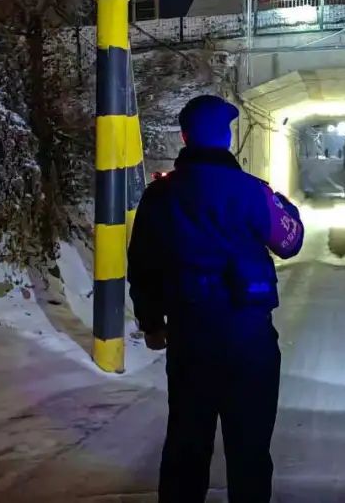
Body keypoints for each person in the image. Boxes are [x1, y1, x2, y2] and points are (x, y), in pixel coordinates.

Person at [128, 94, 304, 503]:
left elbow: (142, 264)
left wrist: (151, 323)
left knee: (186, 447)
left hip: (189, 338)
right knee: (250, 449)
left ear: (185, 137)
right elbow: (290, 241)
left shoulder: (160, 196)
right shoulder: (251, 192)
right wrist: (284, 204)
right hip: (249, 339)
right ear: (227, 138)